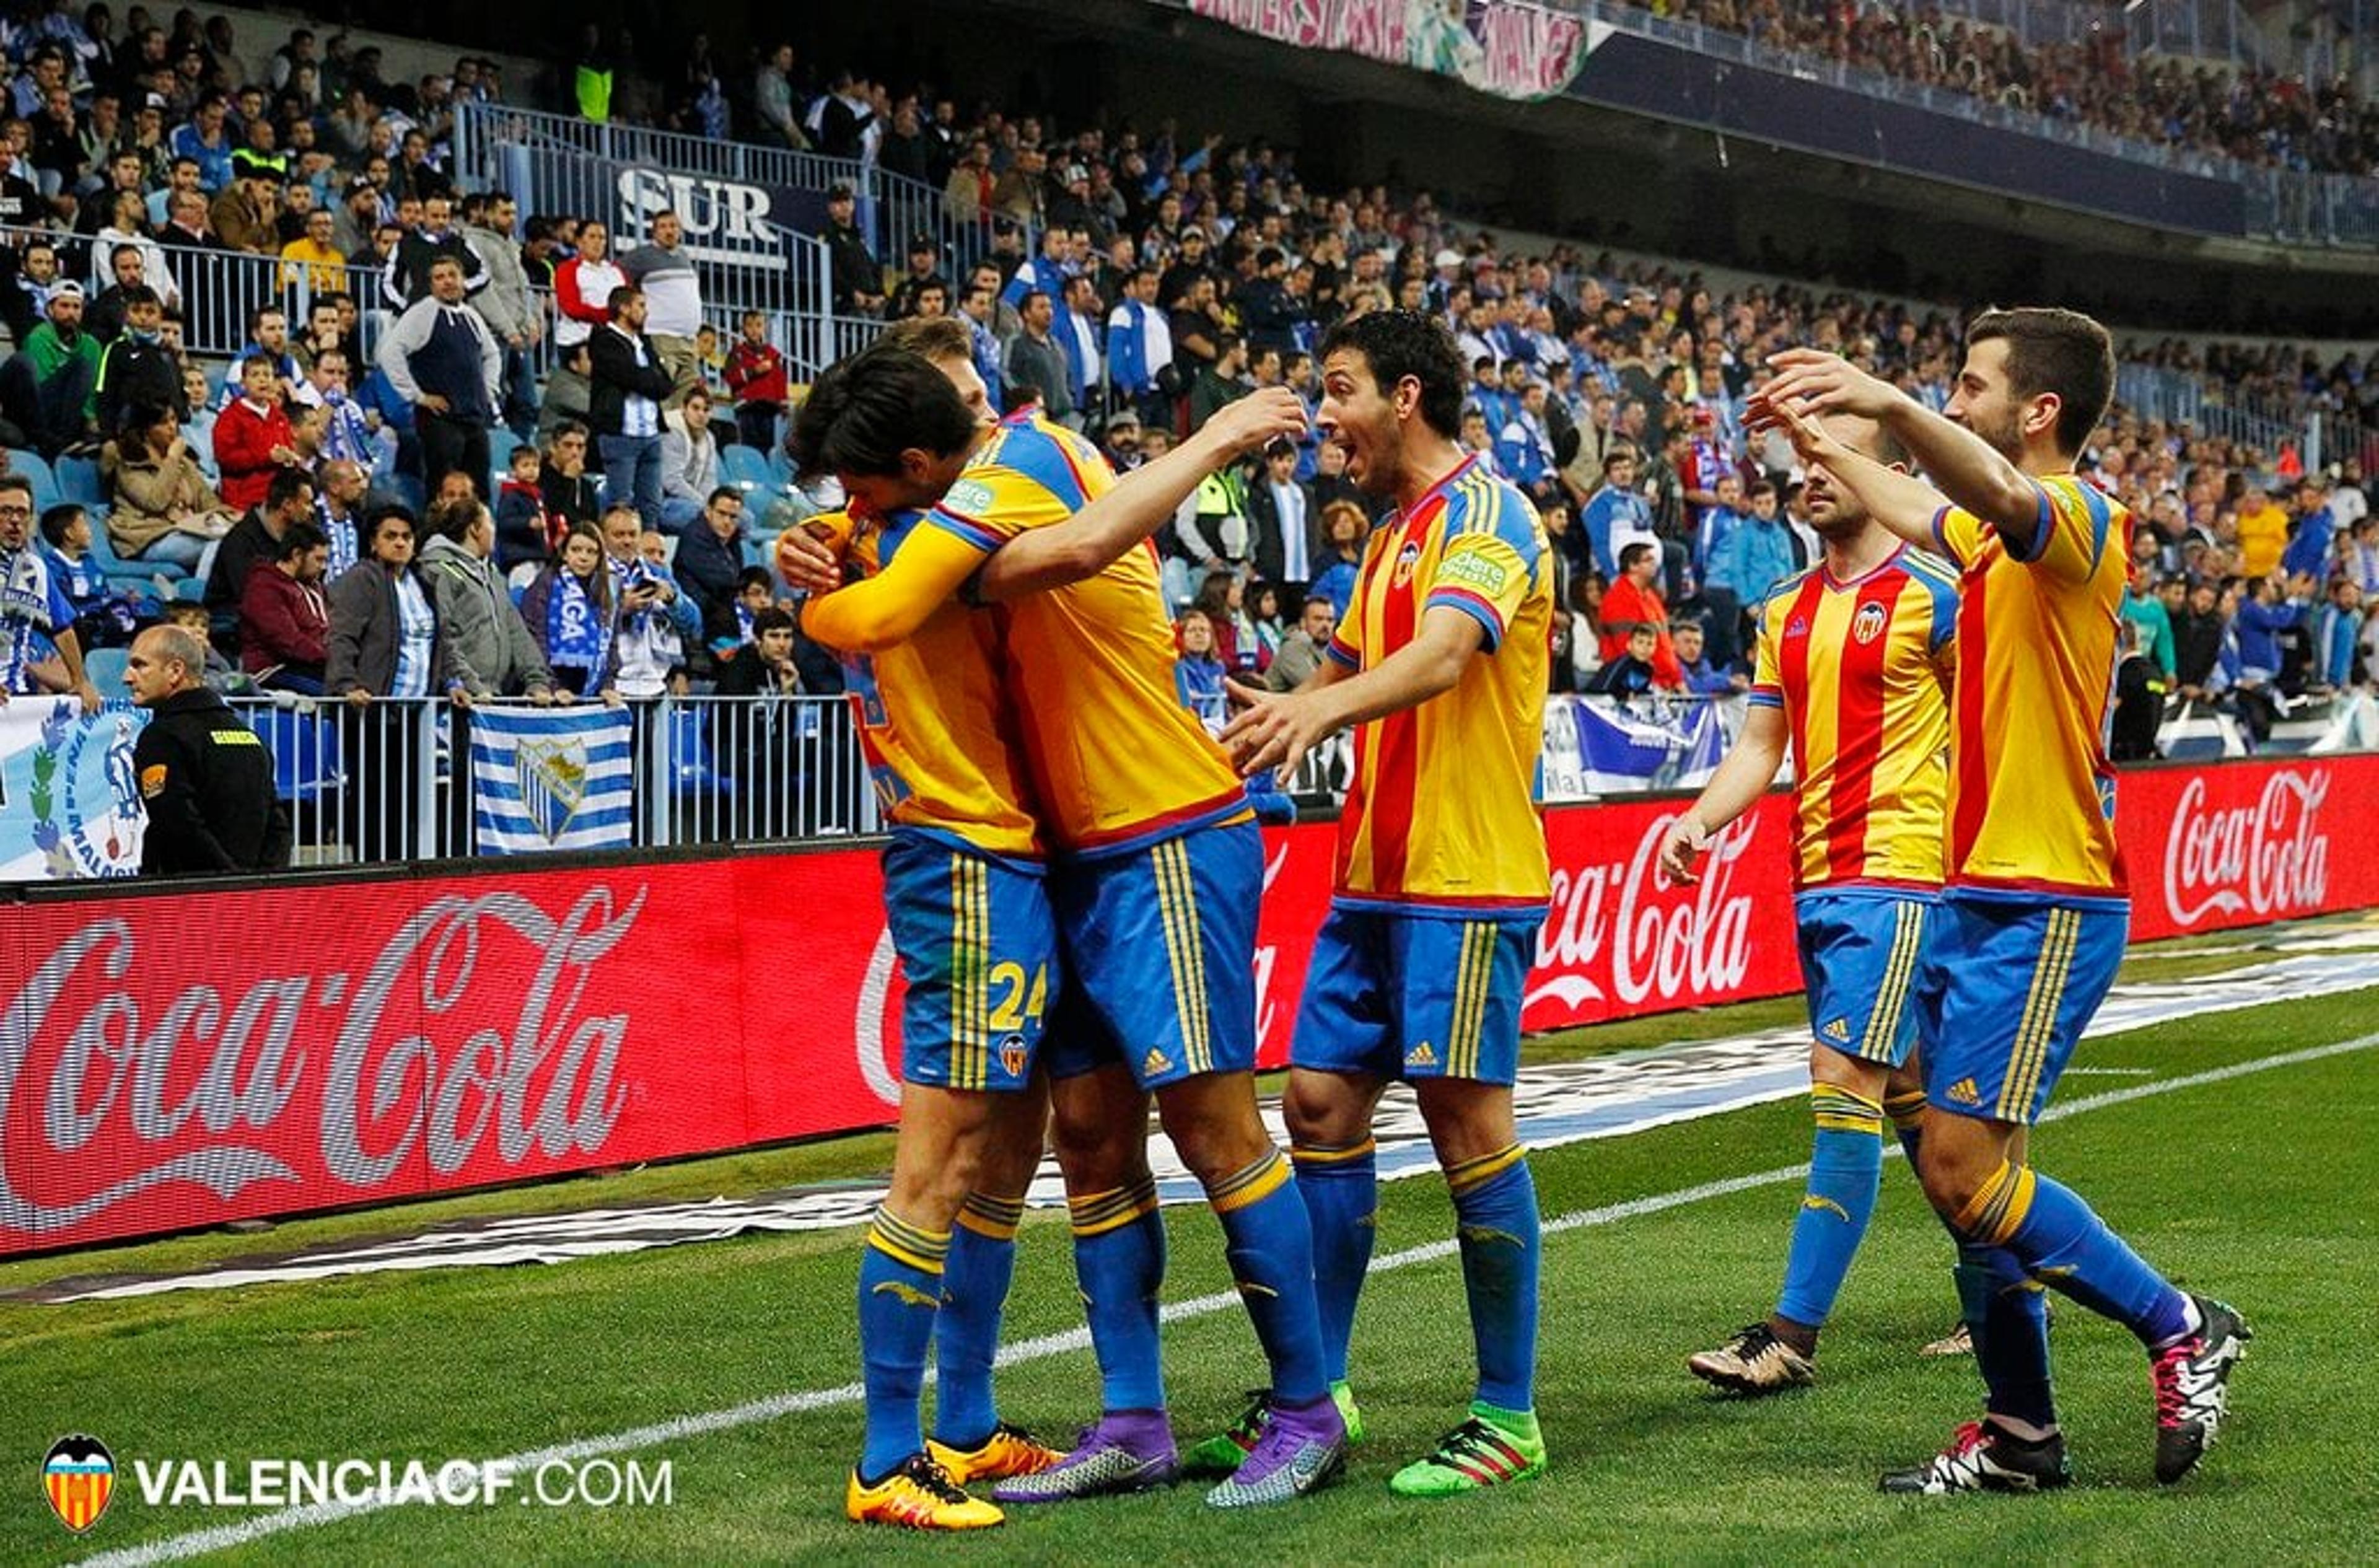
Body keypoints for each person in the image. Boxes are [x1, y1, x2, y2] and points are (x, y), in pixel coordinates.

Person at [786, 329, 1334, 1517]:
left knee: (1213, 1124)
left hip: (1166, 829)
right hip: (1062, 854)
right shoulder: (931, 512)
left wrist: (1220, 435)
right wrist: (835, 543)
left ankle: (1306, 1409)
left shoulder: (1021, 461)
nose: (985, 400)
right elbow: (909, 569)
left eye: (974, 382)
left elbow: (1072, 546)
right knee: (1086, 1134)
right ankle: (1132, 1421)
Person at [1756, 307, 2249, 1494]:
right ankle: (2022, 1435)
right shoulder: (1986, 543)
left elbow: (1973, 485)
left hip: (2046, 894)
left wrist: (1883, 399)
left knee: (1967, 1173)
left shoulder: (2079, 518)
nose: (1956, 398)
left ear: (2037, 411)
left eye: (1971, 385)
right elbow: (1925, 502)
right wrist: (1821, 444)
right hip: (1979, 890)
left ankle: (2182, 1322)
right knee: (1971, 1182)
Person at [1219, 310, 1553, 1499]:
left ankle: (1507, 1414)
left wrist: (1318, 713)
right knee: (1315, 1101)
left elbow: (1444, 657)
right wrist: (1282, 704)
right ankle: (1328, 1388)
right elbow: (1362, 669)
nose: (1326, 417)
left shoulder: (1490, 513)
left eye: (1341, 389)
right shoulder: (1394, 533)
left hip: (1465, 878)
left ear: (1405, 395)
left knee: (1471, 1134)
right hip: (1374, 876)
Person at [1658, 410, 1955, 1394]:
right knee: (1913, 1090)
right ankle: (2003, 1278)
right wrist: (1699, 821)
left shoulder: (1936, 594)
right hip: (1819, 874)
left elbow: (1991, 728)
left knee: (1843, 1082)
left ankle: (1790, 1333)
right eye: (1801, 461)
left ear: (1893, 471)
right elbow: (1759, 746)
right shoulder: (1785, 605)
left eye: (1834, 455)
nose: (1809, 474)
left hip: (1902, 872)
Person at [125, 622, 291, 874]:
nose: (126, 677)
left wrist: (224, 883)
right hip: (249, 899)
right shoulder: (248, 736)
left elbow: (177, 823)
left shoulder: (162, 737)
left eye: (140, 665)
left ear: (175, 671)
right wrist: (256, 885)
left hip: (190, 899)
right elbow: (277, 827)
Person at [378, 255, 501, 501]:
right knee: (442, 488)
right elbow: (390, 353)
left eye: (452, 275)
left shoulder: (471, 316)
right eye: (439, 277)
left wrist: (488, 391)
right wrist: (418, 396)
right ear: (432, 284)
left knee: (479, 491)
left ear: (463, 280)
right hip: (441, 420)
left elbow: (492, 354)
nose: (447, 282)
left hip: (474, 418)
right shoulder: (422, 313)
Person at [418, 495, 559, 704]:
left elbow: (516, 631)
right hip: (460, 699)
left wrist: (537, 680)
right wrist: (473, 687)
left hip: (493, 697)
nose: (495, 530)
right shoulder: (441, 571)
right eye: (490, 523)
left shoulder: (492, 574)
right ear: (475, 529)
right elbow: (445, 637)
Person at [0, 474, 102, 711]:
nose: (14, 520)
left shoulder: (36, 568)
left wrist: (80, 681)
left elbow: (63, 628)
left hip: (17, 697)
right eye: (5, 511)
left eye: (22, 512)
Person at [103, 401, 232, 576]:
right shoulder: (129, 465)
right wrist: (171, 459)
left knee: (240, 539)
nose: (172, 427)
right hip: (148, 538)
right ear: (146, 431)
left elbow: (207, 500)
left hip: (187, 529)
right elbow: (155, 502)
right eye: (163, 423)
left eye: (173, 419)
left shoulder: (183, 463)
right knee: (220, 546)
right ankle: (202, 596)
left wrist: (224, 517)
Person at [588, 285, 673, 532]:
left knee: (651, 507)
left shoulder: (644, 342)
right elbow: (630, 376)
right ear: (624, 308)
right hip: (620, 435)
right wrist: (648, 379)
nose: (646, 312)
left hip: (651, 435)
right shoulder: (605, 340)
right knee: (620, 506)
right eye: (641, 306)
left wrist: (645, 379)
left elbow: (666, 385)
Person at [520, 522, 620, 700]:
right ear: (564, 554)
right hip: (549, 691)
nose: (583, 557)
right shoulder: (545, 584)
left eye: (592, 552)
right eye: (576, 549)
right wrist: (553, 686)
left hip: (592, 691)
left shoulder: (607, 590)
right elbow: (535, 637)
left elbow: (611, 644)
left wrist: (607, 685)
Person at [237, 518, 330, 691]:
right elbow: (288, 642)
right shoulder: (264, 587)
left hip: (313, 667)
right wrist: (331, 658)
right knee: (338, 695)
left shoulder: (315, 586)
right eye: (318, 559)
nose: (323, 567)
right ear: (297, 555)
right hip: (273, 671)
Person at [210, 353, 300, 513]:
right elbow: (225, 458)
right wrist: (267, 457)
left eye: (267, 375)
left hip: (277, 500)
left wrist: (289, 458)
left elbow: (288, 449)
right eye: (255, 375)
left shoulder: (280, 417)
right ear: (243, 383)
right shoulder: (230, 417)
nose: (262, 380)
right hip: (243, 502)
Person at [552, 219, 623, 352]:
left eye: (602, 237)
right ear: (579, 242)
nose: (598, 242)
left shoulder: (616, 270)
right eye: (592, 237)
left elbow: (628, 300)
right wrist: (611, 315)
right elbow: (571, 308)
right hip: (579, 341)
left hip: (614, 339)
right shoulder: (567, 270)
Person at [724, 310, 788, 452]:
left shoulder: (772, 353)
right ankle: (749, 474)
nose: (754, 330)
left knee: (767, 446)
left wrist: (783, 403)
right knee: (749, 447)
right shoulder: (737, 353)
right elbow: (731, 378)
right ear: (743, 328)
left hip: (768, 407)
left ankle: (762, 472)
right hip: (747, 407)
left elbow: (780, 379)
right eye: (750, 325)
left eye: (758, 325)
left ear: (764, 328)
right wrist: (754, 371)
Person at [659, 387, 721, 533]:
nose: (701, 414)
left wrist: (715, 505)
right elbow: (671, 481)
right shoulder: (671, 431)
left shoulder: (709, 438)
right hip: (666, 502)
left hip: (696, 502)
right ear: (683, 408)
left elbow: (709, 479)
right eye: (695, 408)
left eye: (706, 410)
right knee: (699, 514)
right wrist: (705, 505)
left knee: (743, 517)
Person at [1265, 594, 1337, 692]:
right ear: (1303, 623)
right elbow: (1317, 689)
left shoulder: (1330, 649)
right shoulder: (1292, 648)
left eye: (1330, 620)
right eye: (1318, 619)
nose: (1325, 625)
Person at [1172, 606, 1227, 729]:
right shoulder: (1177, 666)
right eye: (1192, 630)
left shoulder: (1219, 667)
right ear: (1181, 636)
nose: (1199, 635)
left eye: (1204, 630)